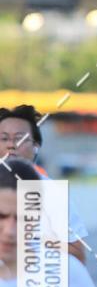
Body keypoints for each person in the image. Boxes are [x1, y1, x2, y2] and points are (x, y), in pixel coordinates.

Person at [0, 105, 88, 264]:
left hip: (31, 286)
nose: (11, 145)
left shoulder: (52, 193)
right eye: (4, 138)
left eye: (20, 138)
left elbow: (78, 256)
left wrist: (33, 242)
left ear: (36, 146)